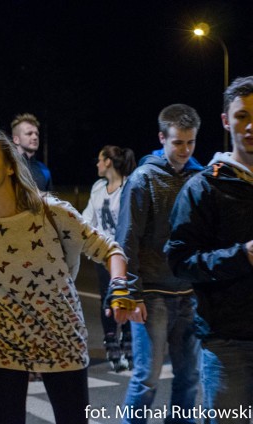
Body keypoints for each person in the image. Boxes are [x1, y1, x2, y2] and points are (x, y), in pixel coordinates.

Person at [0, 129, 143, 424]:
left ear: (10, 166)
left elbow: (110, 249)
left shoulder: (51, 211)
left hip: (61, 335)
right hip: (3, 337)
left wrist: (119, 289)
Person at [166, 76, 253, 423]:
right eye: (242, 116)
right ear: (225, 120)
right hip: (228, 344)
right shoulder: (204, 186)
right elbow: (180, 259)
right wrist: (242, 255)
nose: (250, 126)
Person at [116, 103, 203, 423]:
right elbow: (127, 240)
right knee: (147, 379)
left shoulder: (200, 176)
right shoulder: (143, 179)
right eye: (178, 142)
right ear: (162, 138)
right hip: (152, 295)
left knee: (189, 378)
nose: (185, 149)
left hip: (189, 295)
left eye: (191, 142)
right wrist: (131, 293)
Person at [82, 145, 137, 372]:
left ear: (107, 162)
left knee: (127, 298)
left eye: (99, 160)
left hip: (125, 255)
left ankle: (128, 339)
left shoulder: (130, 187)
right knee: (107, 299)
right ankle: (111, 340)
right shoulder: (98, 188)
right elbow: (88, 219)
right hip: (104, 255)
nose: (96, 164)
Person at [11, 113, 53, 191]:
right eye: (29, 133)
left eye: (36, 134)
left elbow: (50, 201)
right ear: (16, 139)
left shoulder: (44, 169)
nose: (35, 137)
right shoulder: (7, 167)